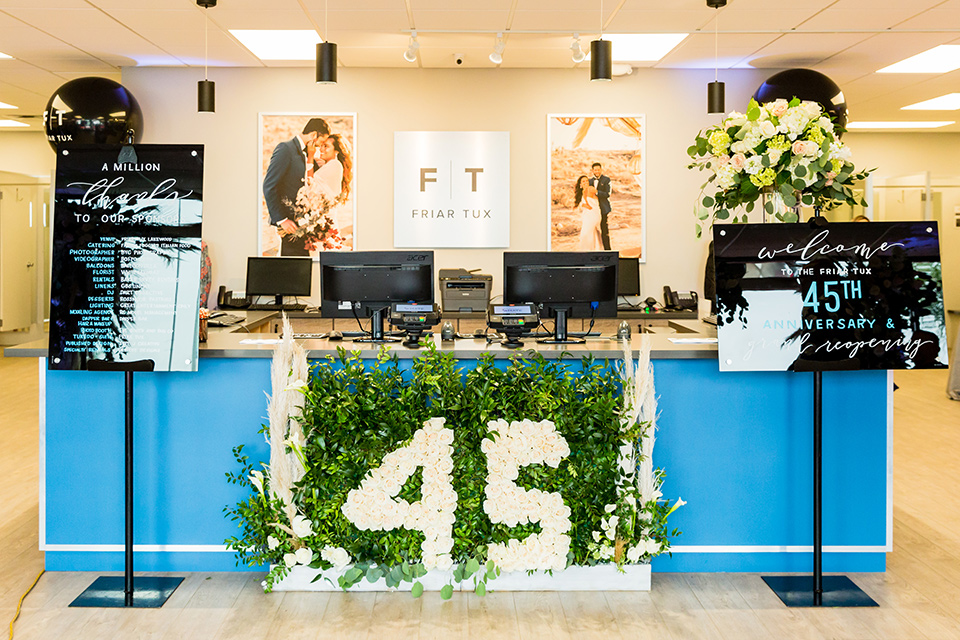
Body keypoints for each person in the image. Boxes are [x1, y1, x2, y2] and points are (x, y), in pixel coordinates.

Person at [262, 118, 329, 256]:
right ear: (314, 135)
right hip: (288, 224)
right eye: (321, 142)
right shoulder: (285, 149)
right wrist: (282, 220)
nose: (320, 147)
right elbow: (269, 185)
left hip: (303, 224)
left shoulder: (307, 154)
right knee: (292, 269)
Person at [574, 175, 602, 251]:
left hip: (593, 214)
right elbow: (580, 207)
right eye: (583, 181)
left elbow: (601, 196)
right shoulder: (582, 193)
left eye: (587, 180)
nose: (586, 182)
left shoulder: (590, 188)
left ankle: (587, 251)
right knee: (592, 234)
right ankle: (595, 251)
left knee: (585, 234)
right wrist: (582, 205)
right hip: (586, 216)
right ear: (580, 184)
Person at [589, 162, 612, 250]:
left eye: (598, 169)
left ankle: (607, 250)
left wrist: (597, 192)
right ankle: (595, 249)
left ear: (601, 170)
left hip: (603, 208)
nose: (597, 171)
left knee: (604, 229)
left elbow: (607, 194)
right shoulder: (589, 181)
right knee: (593, 230)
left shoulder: (607, 180)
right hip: (593, 209)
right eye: (595, 170)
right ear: (592, 171)